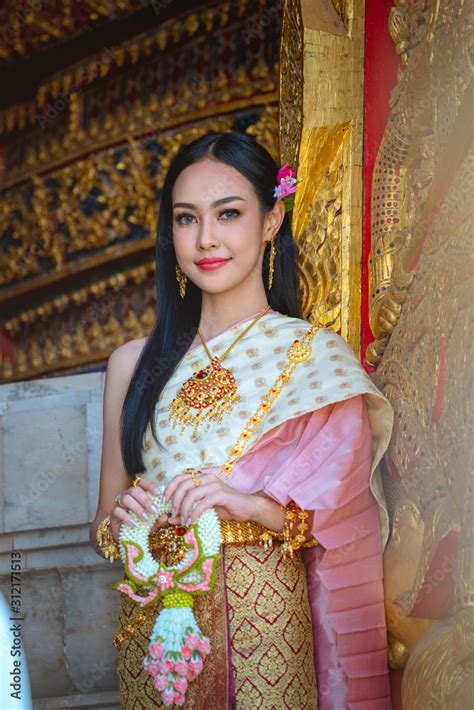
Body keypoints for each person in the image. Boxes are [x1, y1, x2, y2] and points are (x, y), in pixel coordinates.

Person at [89, 130, 394, 709]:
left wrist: (246, 505)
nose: (206, 238)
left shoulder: (314, 360)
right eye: (186, 219)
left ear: (272, 219)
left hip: (265, 629)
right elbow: (103, 525)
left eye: (228, 213)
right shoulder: (134, 364)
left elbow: (344, 524)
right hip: (155, 636)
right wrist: (120, 524)